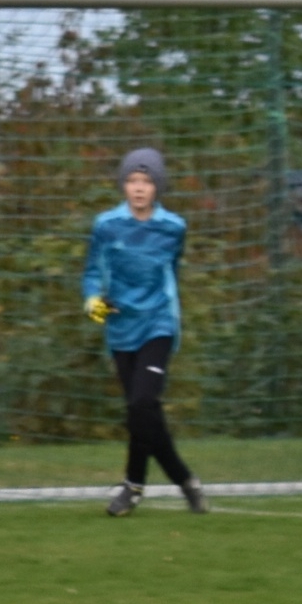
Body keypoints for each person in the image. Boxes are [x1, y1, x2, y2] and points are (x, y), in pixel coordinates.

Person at [82, 148, 208, 516]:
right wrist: (94, 303)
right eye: (133, 180)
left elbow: (173, 271)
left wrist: (159, 308)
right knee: (141, 412)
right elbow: (92, 272)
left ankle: (142, 485)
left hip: (158, 324)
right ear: (123, 185)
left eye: (147, 181)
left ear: (158, 187)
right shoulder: (106, 225)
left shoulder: (174, 228)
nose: (139, 188)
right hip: (121, 328)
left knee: (141, 403)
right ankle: (171, 483)